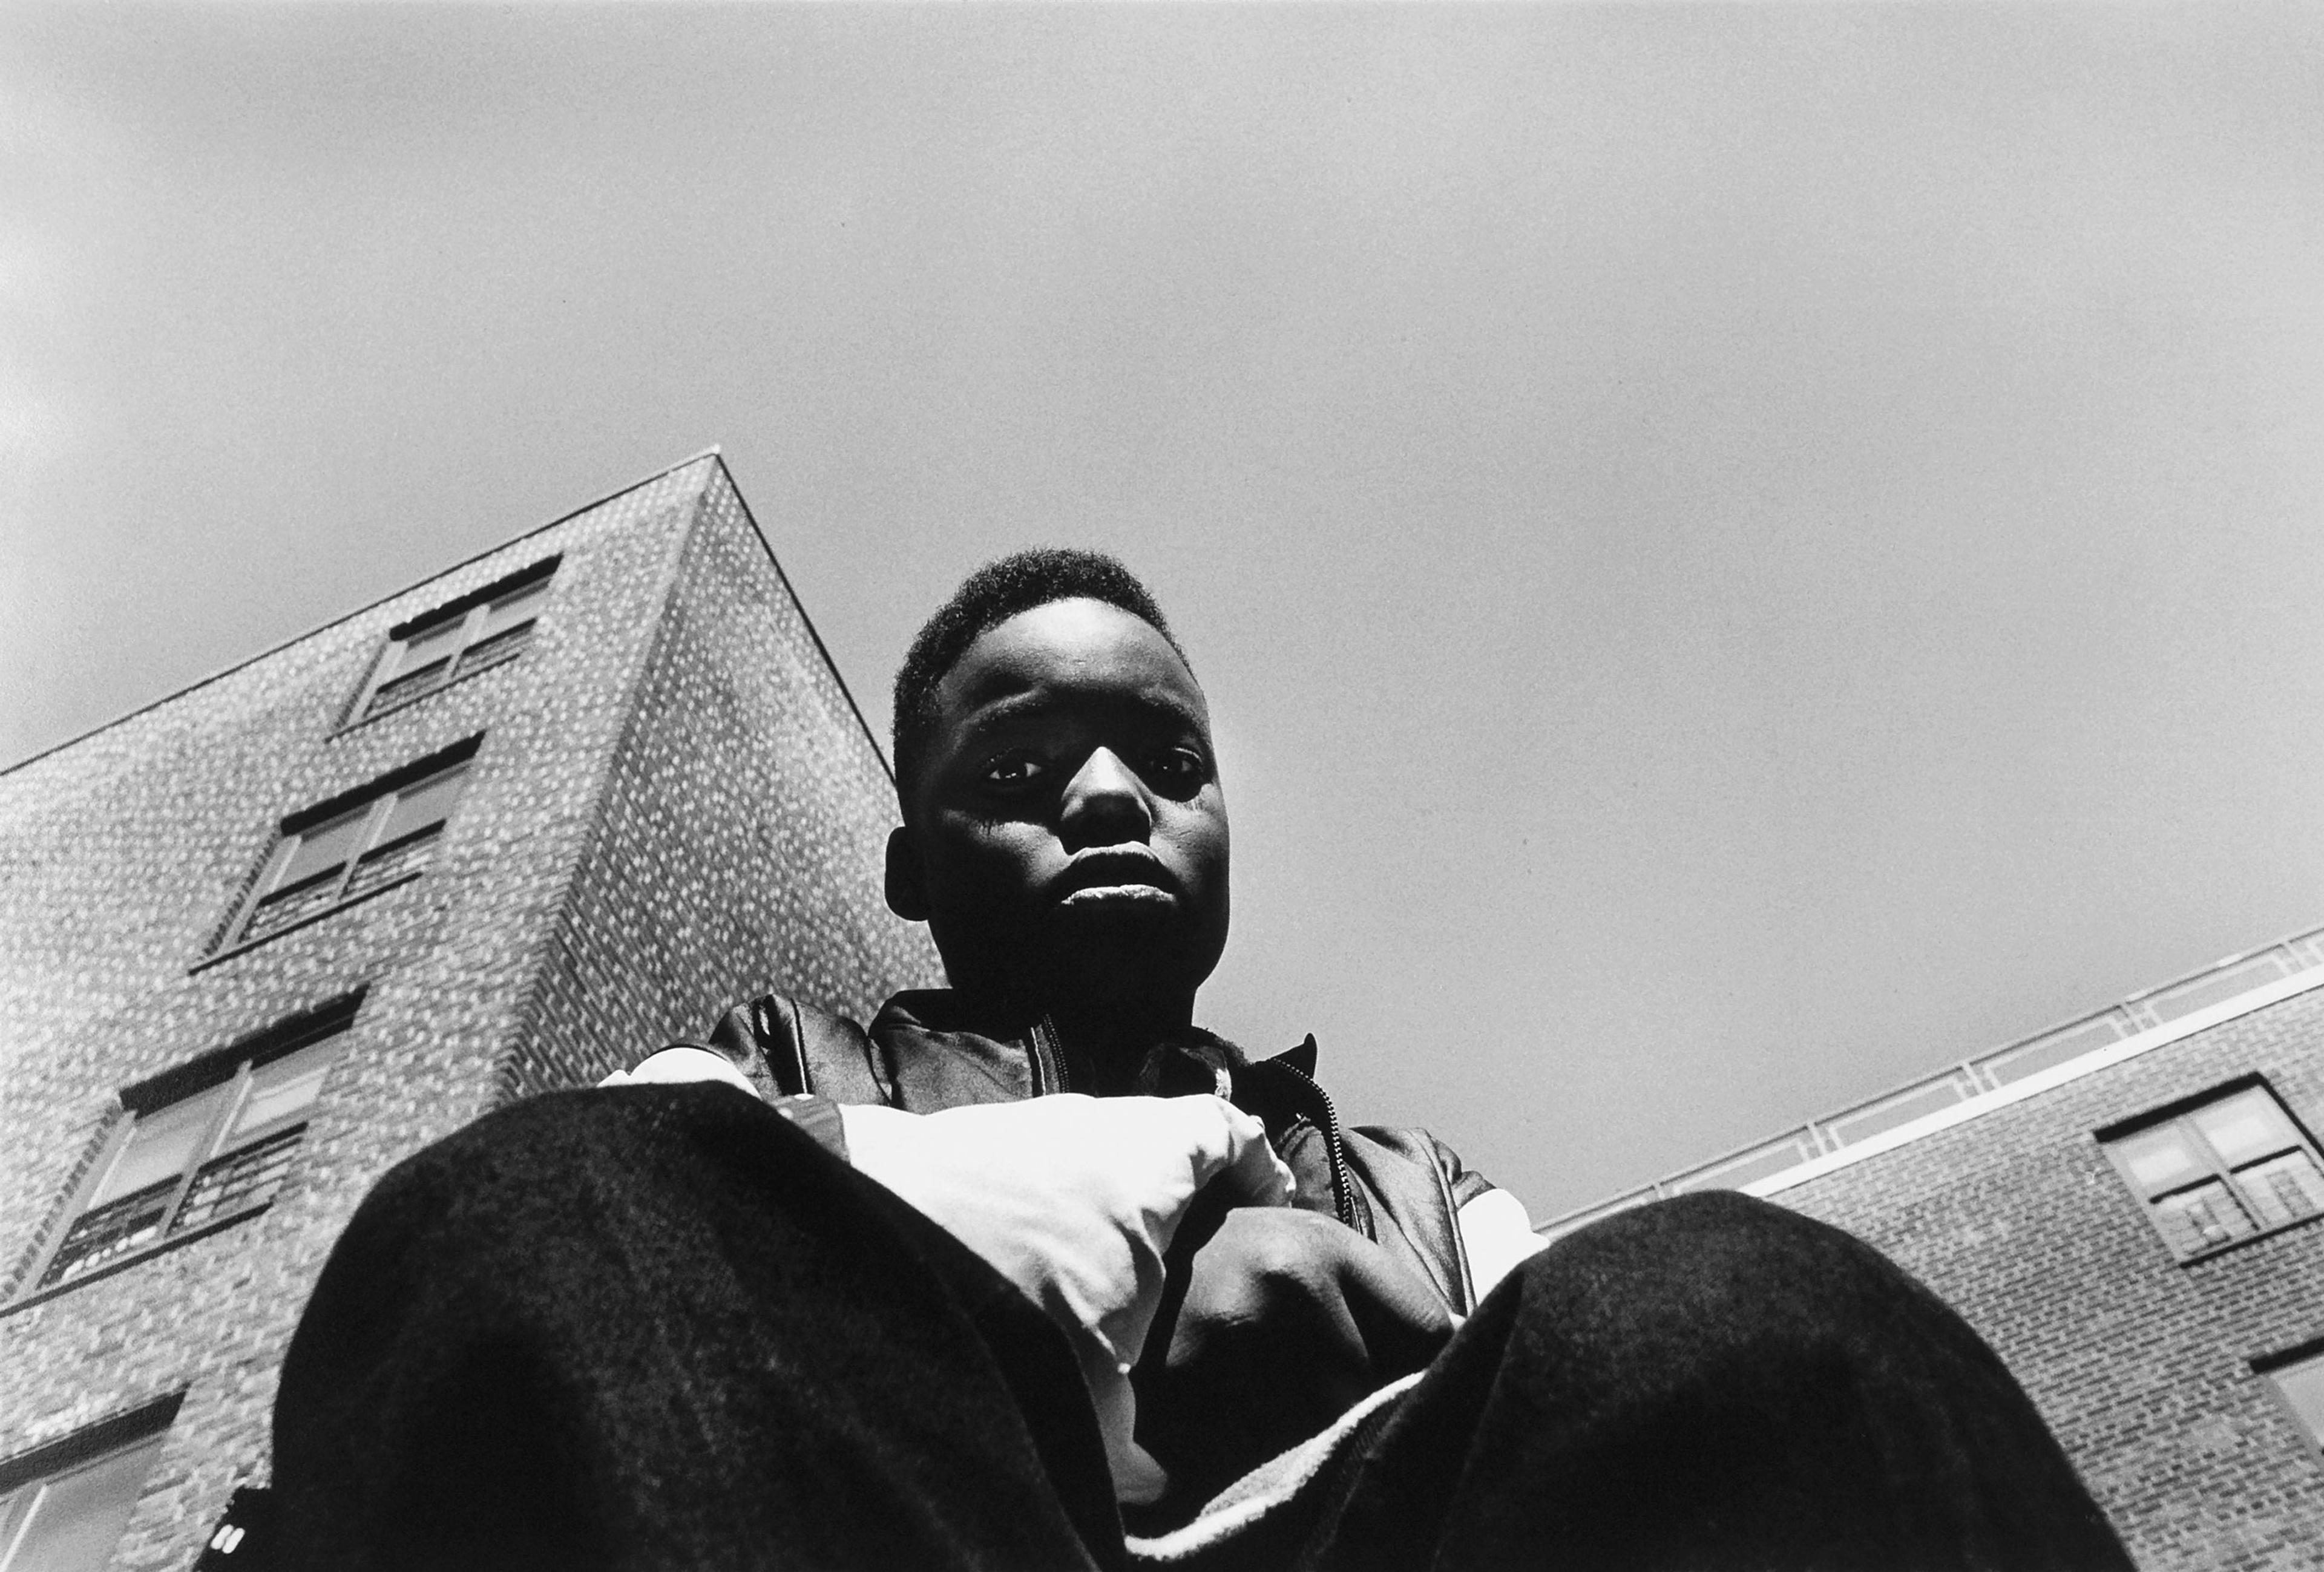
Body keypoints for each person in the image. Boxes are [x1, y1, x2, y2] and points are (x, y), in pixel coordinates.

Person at [271, 551, 2132, 1570]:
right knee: (549, 1194)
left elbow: (1584, 1384)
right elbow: (532, 1299)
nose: (1101, 792)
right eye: (1014, 773)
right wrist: (1177, 1196)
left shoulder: (1410, 1173)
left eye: (1163, 763)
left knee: (1747, 1295)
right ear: (912, 863)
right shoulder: (759, 1073)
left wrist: (1348, 1290)